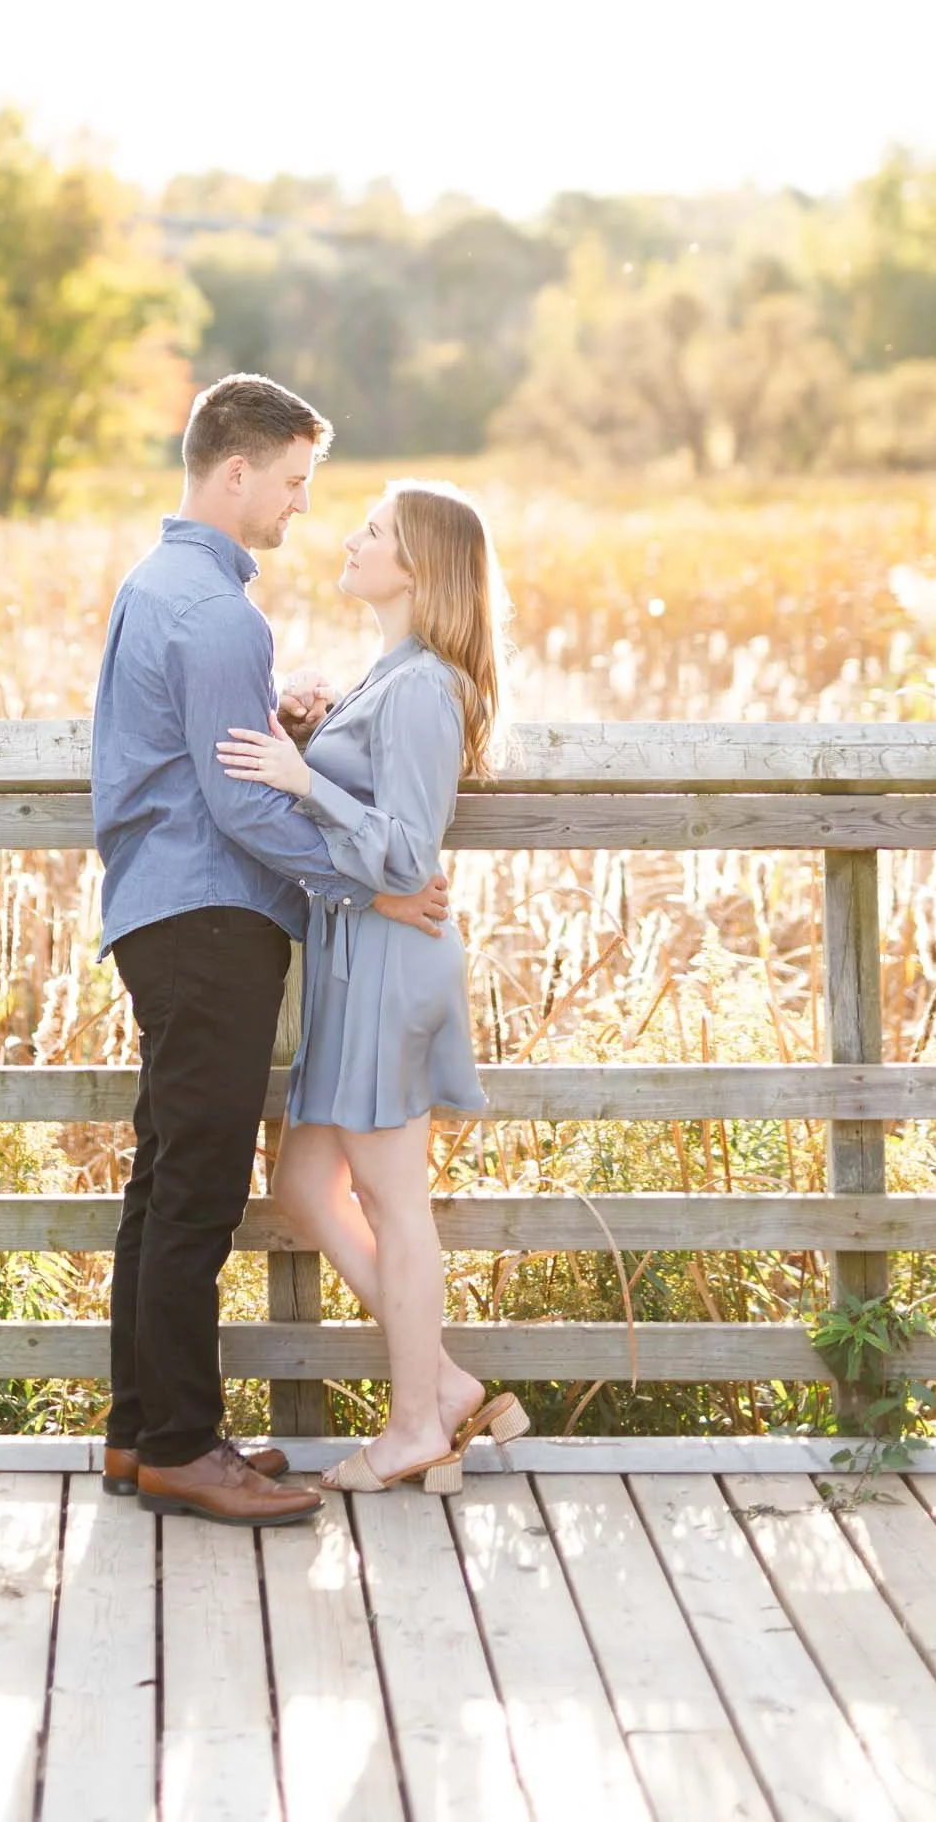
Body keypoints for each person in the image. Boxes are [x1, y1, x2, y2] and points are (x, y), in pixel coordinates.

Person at [91, 374, 451, 1527]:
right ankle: (186, 1447)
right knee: (195, 1188)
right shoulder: (215, 612)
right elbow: (242, 809)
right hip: (209, 919)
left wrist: (288, 719)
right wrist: (373, 887)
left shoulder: (161, 586)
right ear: (234, 470)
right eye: (294, 482)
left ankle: (139, 1434)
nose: (303, 506)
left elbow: (224, 759)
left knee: (163, 1178)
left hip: (165, 908)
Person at [217, 480, 530, 1493]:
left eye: (374, 531)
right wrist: (304, 719)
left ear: (418, 566)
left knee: (396, 1201)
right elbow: (370, 819)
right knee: (305, 1184)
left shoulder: (429, 687)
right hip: (354, 961)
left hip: (391, 967)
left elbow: (405, 855)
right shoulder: (387, 676)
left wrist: (300, 779)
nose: (349, 539)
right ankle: (438, 1381)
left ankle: (411, 1429)